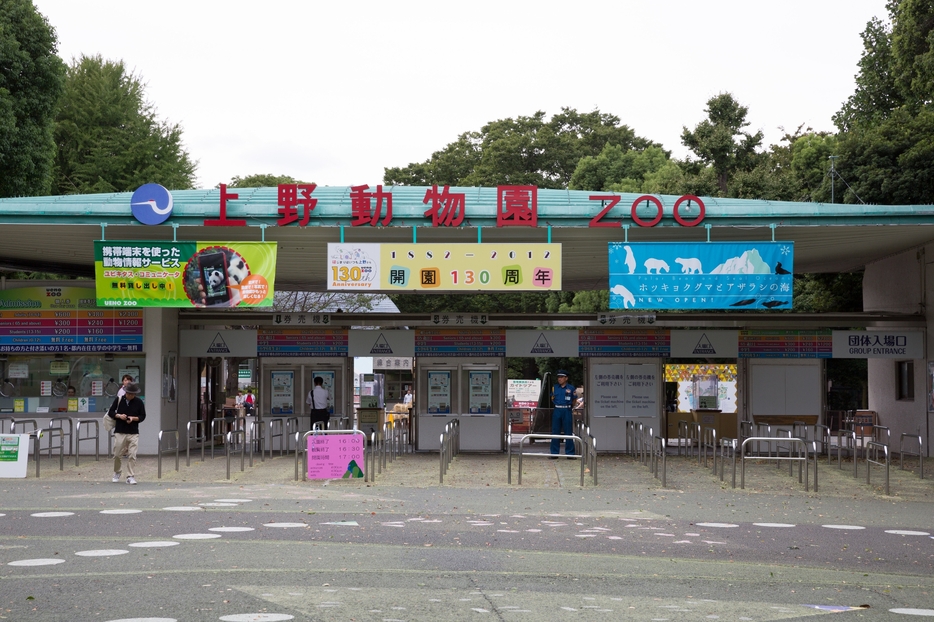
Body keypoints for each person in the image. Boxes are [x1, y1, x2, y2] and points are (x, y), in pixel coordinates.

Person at [107, 383, 146, 485]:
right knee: (117, 454)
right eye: (130, 394)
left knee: (132, 454)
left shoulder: (138, 402)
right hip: (120, 431)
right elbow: (111, 412)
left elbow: (142, 416)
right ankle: (117, 471)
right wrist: (119, 416)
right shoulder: (119, 400)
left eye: (134, 394)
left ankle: (130, 476)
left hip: (133, 432)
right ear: (126, 392)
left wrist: (133, 418)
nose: (132, 396)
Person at [550, 370, 576, 457]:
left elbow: (574, 399)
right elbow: (552, 398)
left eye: (561, 377)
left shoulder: (571, 388)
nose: (559, 379)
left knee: (568, 431)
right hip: (557, 409)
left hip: (567, 410)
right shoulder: (555, 387)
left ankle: (570, 453)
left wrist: (569, 407)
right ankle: (554, 453)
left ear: (566, 378)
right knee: (555, 431)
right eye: (558, 377)